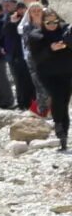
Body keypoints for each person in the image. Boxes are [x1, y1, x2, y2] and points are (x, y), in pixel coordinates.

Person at [33, 9, 71, 152]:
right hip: (47, 74)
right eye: (48, 22)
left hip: (67, 72)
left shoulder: (66, 32)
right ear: (42, 22)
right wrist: (51, 49)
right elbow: (37, 58)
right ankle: (58, 123)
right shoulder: (36, 36)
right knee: (57, 96)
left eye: (55, 21)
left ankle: (64, 136)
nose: (52, 25)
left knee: (64, 102)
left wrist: (66, 43)